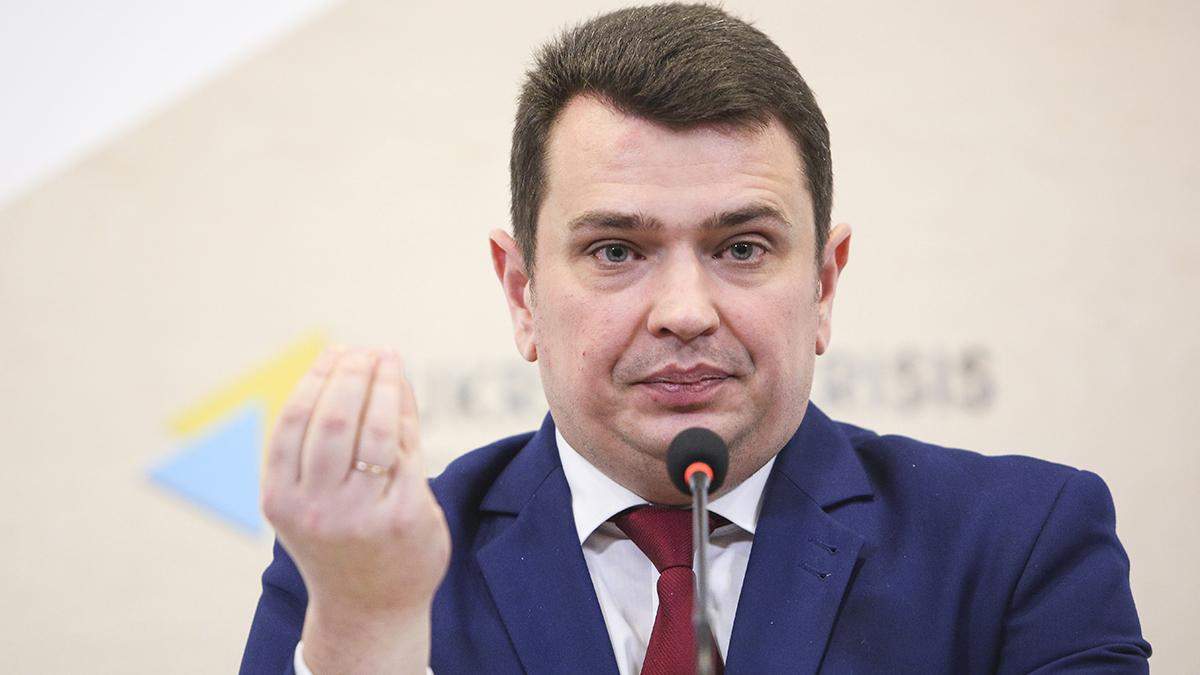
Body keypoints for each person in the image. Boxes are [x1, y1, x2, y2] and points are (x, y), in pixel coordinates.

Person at [240, 3, 1150, 673]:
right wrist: (367, 636)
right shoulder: (367, 571)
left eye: (742, 247)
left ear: (824, 284)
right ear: (522, 293)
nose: (685, 310)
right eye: (616, 250)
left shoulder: (1017, 544)